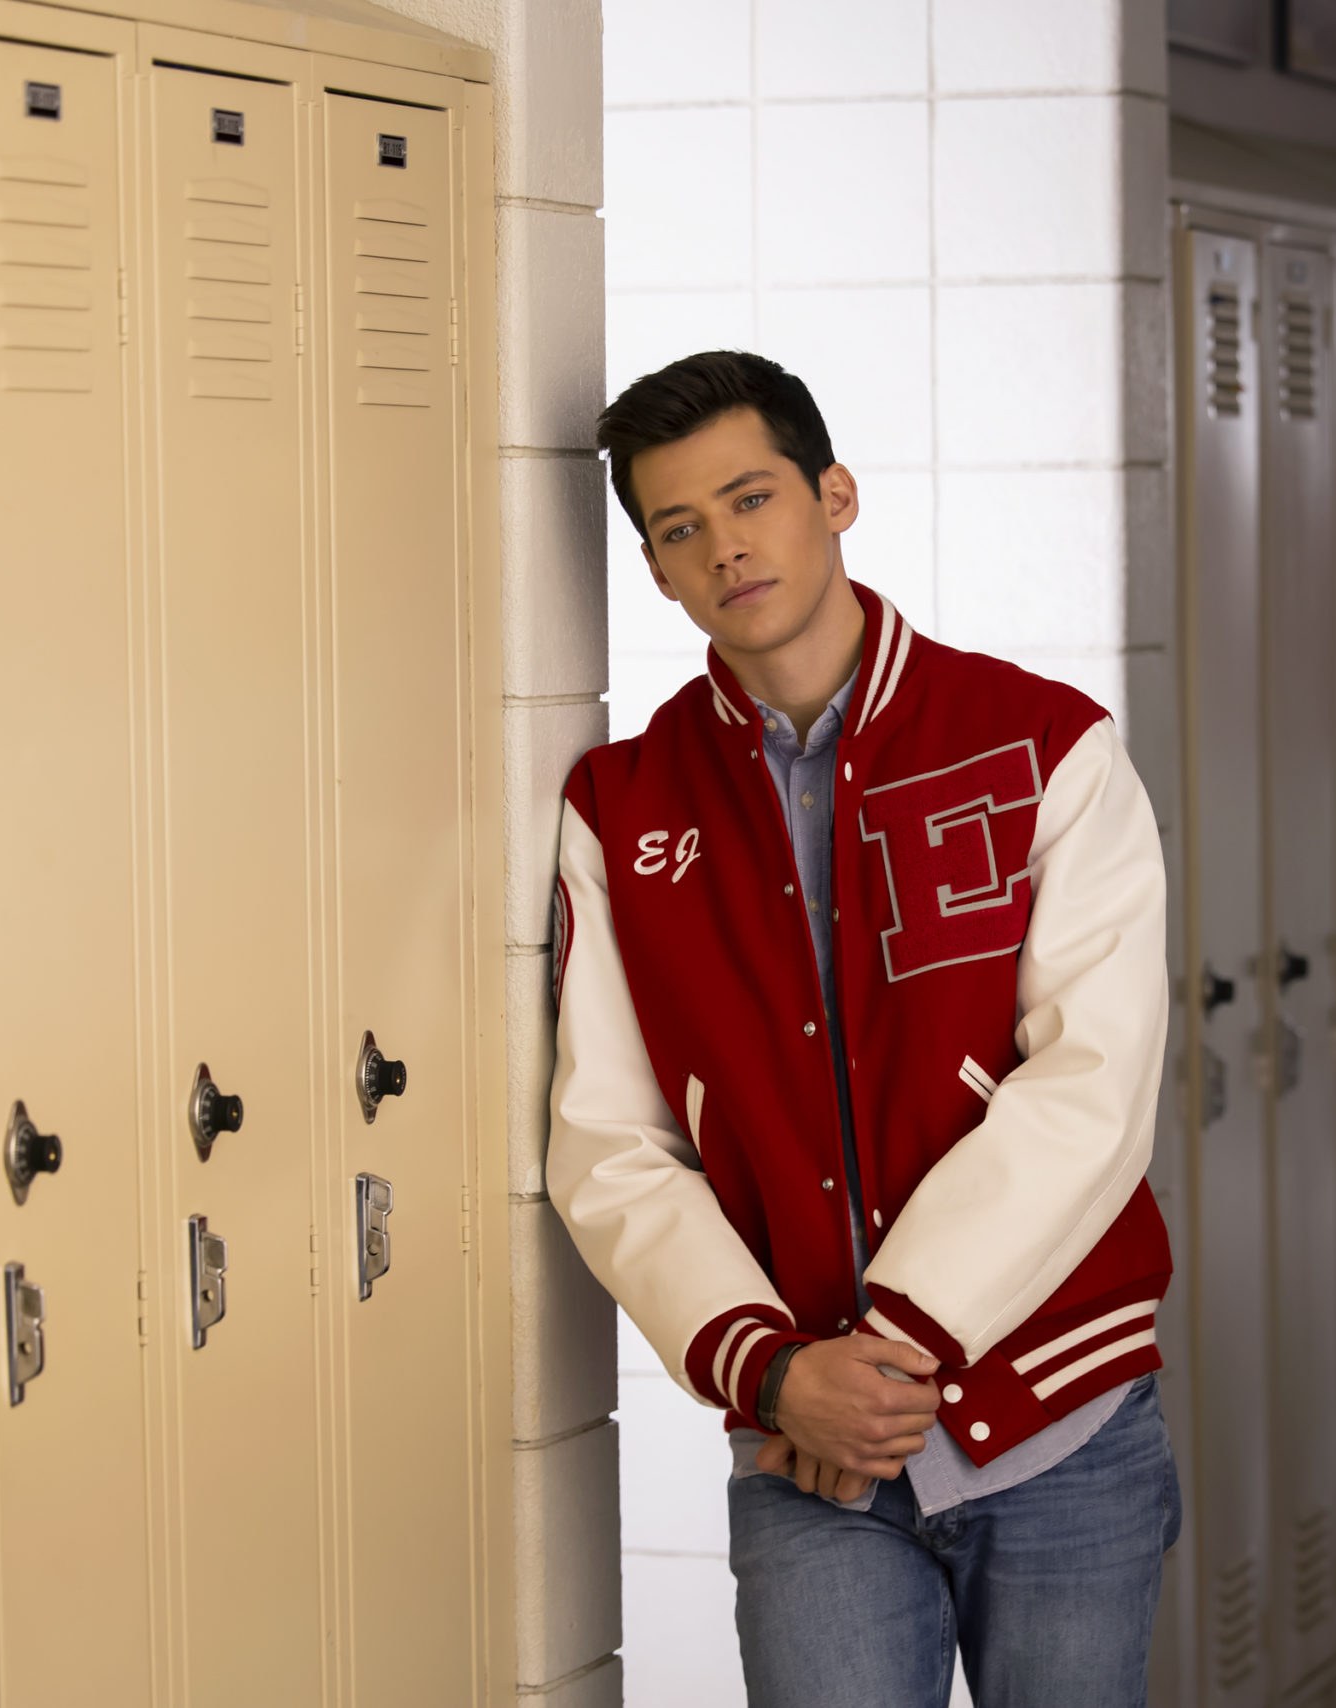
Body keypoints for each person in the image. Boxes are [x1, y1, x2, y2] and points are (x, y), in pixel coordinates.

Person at [547, 351, 1180, 1705]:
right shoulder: (622, 807)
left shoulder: (1044, 745)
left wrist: (883, 1358)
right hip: (800, 1448)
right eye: (679, 528)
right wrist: (777, 1375)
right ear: (656, 570)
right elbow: (610, 1140)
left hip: (1058, 1426)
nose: (725, 547)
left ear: (834, 496)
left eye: (751, 497)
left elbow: (1093, 1089)